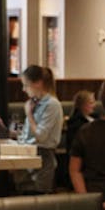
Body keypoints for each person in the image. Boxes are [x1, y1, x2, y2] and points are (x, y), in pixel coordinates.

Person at [14, 65, 61, 193]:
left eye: (26, 85)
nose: (24, 89)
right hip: (30, 153)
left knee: (39, 199)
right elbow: (26, 133)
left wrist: (29, 115)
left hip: (43, 156)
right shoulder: (35, 103)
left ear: (38, 83)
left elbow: (41, 136)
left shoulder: (52, 104)